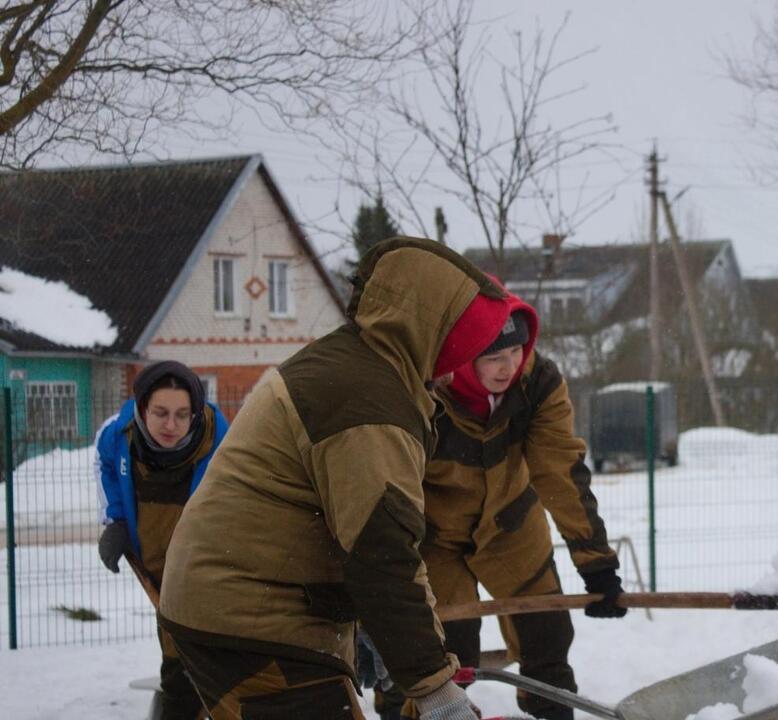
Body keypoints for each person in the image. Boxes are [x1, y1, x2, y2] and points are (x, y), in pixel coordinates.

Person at [157, 238, 512, 720]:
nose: (455, 373)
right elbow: (382, 554)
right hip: (251, 615)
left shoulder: (354, 367)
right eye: (456, 351)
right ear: (429, 333)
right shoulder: (368, 403)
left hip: (241, 599)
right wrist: (434, 690)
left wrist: (368, 624)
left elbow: (350, 527)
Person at [419, 282, 625, 720]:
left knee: (547, 638)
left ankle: (550, 712)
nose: (508, 366)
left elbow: (560, 470)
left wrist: (597, 564)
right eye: (493, 356)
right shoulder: (424, 394)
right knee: (442, 655)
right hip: (434, 537)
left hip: (512, 525)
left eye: (516, 351)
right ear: (460, 354)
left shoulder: (538, 383)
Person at [97, 360, 229, 719]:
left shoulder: (222, 443)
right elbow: (106, 467)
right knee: (179, 674)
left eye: (183, 414)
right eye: (161, 413)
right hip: (159, 571)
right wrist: (116, 522)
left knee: (215, 674)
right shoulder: (118, 435)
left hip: (211, 578)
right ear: (142, 408)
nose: (171, 425)